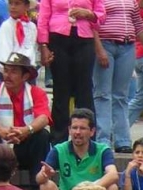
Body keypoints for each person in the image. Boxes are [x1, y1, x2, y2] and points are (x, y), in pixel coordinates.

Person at [36, 0, 101, 144]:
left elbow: (101, 15)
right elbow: (43, 17)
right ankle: (58, 140)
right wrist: (44, 45)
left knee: (85, 91)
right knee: (60, 90)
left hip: (84, 39)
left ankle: (88, 138)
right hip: (57, 38)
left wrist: (89, 14)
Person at [92, 0, 143, 151]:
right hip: (106, 44)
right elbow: (93, 24)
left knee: (121, 96)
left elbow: (138, 24)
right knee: (103, 94)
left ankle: (122, 140)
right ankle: (103, 139)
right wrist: (99, 49)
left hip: (127, 45)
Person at [0, 51, 51, 182]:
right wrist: (1, 131)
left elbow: (43, 118)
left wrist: (26, 130)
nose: (7, 75)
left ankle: (37, 186)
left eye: (13, 72)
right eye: (6, 71)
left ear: (25, 76)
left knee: (42, 136)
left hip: (23, 144)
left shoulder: (36, 93)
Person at [0, 0, 36, 70]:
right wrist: (7, 69)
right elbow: (3, 51)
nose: (13, 7)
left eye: (17, 4)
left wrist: (31, 65)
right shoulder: (6, 26)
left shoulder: (31, 27)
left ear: (27, 6)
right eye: (10, 3)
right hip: (11, 71)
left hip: (27, 69)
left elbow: (31, 48)